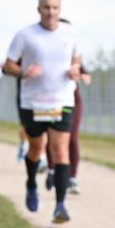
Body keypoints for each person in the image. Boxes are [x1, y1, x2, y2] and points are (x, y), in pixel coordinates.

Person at [4, 0, 82, 224]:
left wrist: (74, 70)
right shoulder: (25, 35)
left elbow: (76, 59)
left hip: (62, 101)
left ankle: (60, 206)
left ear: (60, 9)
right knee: (36, 149)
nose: (51, 12)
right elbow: (9, 64)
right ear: (39, 9)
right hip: (33, 102)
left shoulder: (70, 34)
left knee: (60, 152)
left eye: (55, 8)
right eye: (46, 7)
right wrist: (22, 72)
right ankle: (30, 183)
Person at [44, 19, 91, 196]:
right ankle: (51, 169)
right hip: (50, 101)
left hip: (73, 101)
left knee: (72, 137)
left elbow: (85, 74)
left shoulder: (74, 55)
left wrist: (82, 77)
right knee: (52, 137)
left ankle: (72, 178)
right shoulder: (46, 53)